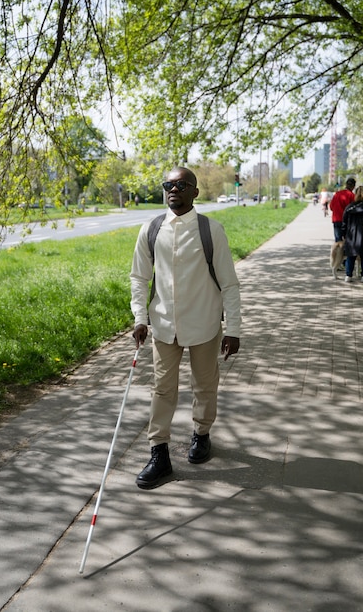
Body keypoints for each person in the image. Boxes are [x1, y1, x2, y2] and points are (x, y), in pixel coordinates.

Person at [130, 166, 241, 490]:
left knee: (204, 386)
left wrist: (233, 328)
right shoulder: (150, 229)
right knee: (163, 390)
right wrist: (140, 318)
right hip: (164, 325)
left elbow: (229, 284)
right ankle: (159, 453)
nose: (173, 189)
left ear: (195, 191)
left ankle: (202, 434)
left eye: (181, 185)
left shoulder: (211, 230)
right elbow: (139, 278)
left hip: (204, 323)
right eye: (168, 185)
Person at [330, 177, 356, 242]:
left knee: (338, 241)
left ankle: (339, 252)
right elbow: (353, 209)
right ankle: (346, 251)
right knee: (347, 240)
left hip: (336, 219)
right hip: (346, 221)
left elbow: (331, 207)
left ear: (346, 185)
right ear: (353, 186)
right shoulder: (352, 195)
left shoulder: (337, 194)